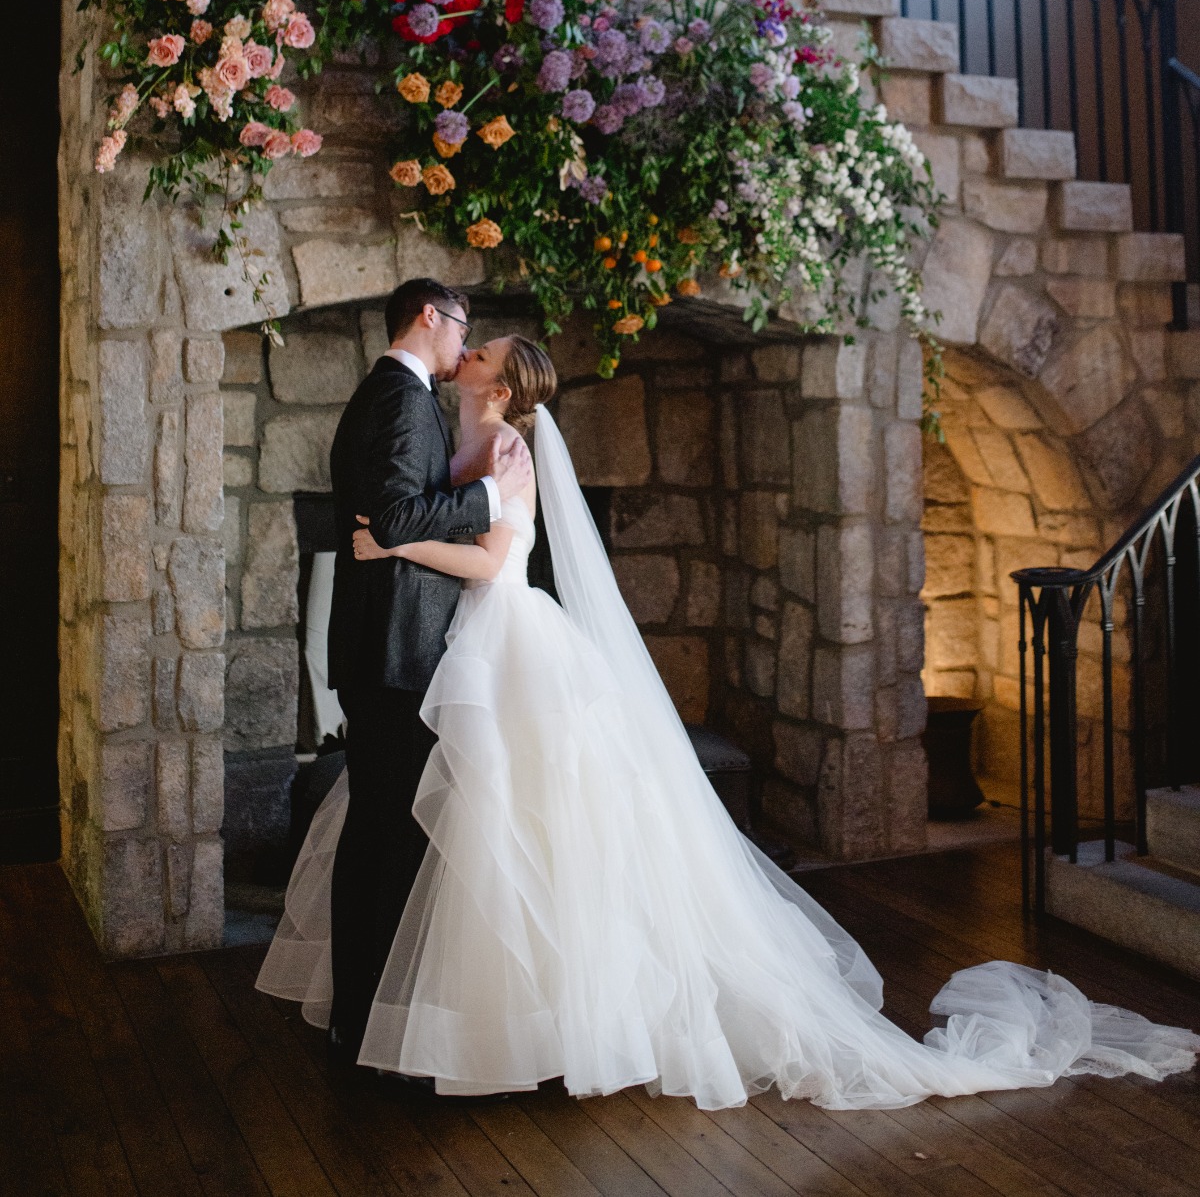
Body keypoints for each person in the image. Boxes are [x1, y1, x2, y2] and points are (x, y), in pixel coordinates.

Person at [260, 331, 1199, 1108]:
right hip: (465, 644)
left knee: (525, 822)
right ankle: (476, 1017)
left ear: (499, 383)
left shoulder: (507, 451)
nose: (467, 350)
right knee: (480, 829)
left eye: (483, 349)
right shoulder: (448, 433)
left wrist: (396, 539)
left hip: (504, 633)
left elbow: (497, 559)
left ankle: (543, 1027)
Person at [319, 278, 530, 1066]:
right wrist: (487, 494)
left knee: (380, 828)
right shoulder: (405, 401)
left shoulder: (384, 394)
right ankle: (369, 1017)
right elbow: (399, 516)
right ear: (429, 318)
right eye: (462, 328)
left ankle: (362, 1011)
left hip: (382, 647)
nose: (463, 344)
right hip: (394, 651)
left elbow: (391, 522)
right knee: (387, 833)